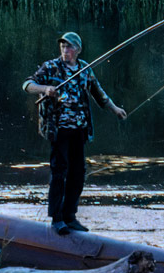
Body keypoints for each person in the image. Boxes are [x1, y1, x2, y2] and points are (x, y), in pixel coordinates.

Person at [22, 31, 126, 235]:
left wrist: (115, 109)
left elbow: (99, 93)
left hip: (79, 129)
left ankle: (70, 216)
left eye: (69, 47)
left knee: (78, 173)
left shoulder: (85, 69)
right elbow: (27, 85)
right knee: (59, 172)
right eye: (63, 46)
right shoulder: (51, 66)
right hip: (58, 129)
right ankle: (57, 219)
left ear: (78, 50)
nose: (65, 50)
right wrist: (45, 89)